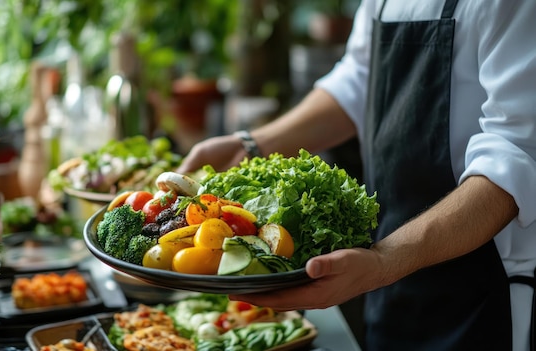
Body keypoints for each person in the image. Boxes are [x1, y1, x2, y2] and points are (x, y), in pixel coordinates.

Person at [176, 0, 536, 350]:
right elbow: (357, 82)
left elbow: (515, 156)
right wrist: (252, 145)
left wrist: (386, 261)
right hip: (389, 279)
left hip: (480, 295)